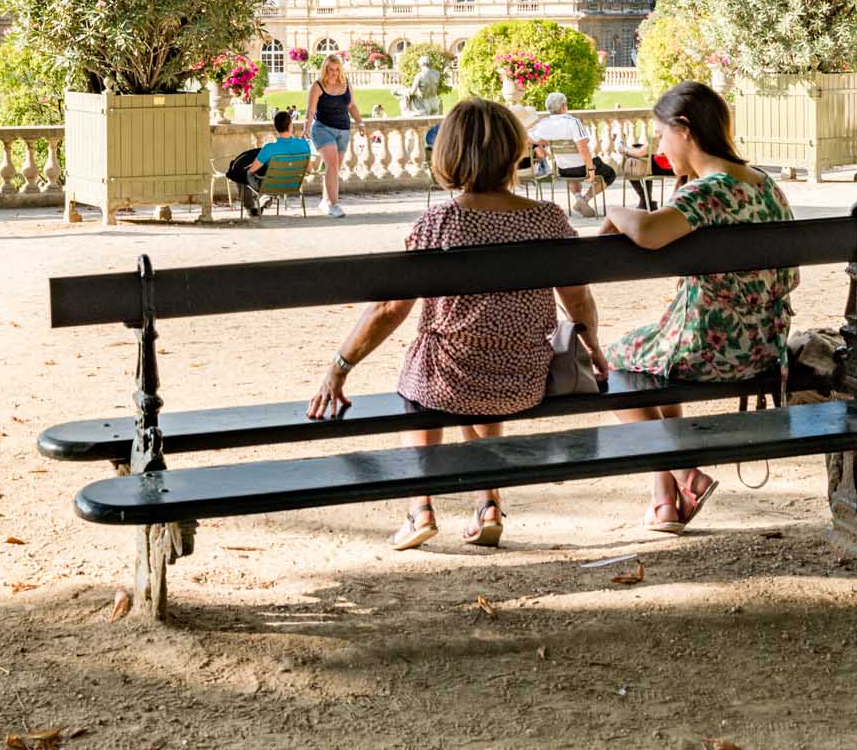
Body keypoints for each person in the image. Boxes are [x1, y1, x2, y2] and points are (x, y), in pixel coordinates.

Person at [308, 98, 604, 550]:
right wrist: (594, 347)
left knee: (432, 360)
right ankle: (488, 501)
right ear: (513, 151)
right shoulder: (548, 218)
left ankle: (419, 506)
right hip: (523, 377)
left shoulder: (439, 222)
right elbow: (578, 298)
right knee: (479, 354)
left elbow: (391, 309)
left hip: (451, 380)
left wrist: (339, 366)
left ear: (448, 155)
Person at [601, 83, 798, 534]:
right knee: (654, 365)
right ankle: (665, 501)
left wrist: (616, 212)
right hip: (766, 346)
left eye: (661, 134)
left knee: (614, 368)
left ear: (684, 129)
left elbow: (648, 233)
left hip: (710, 350)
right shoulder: (763, 184)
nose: (659, 146)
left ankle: (686, 470)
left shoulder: (710, 190)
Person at [527, 91, 616, 217]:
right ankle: (584, 200)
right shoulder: (573, 122)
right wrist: (590, 169)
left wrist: (542, 143)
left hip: (564, 170)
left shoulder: (543, 124)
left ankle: (578, 198)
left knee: (570, 171)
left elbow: (528, 138)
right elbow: (583, 148)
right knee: (610, 174)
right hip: (583, 167)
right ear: (563, 106)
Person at [306, 55, 368, 217]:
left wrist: (360, 123)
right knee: (332, 166)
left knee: (333, 169)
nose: (334, 73)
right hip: (322, 129)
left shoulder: (346, 84)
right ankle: (334, 205)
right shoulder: (318, 86)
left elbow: (352, 105)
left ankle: (325, 201)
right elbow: (311, 110)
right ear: (325, 69)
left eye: (336, 69)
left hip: (343, 130)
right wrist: (306, 127)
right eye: (330, 69)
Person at [224, 109, 310, 215]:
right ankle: (266, 198)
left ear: (276, 127)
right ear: (291, 125)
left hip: (272, 186)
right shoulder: (304, 145)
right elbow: (309, 169)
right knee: (266, 172)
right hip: (293, 185)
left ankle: (251, 208)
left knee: (241, 174)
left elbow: (252, 170)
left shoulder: (269, 148)